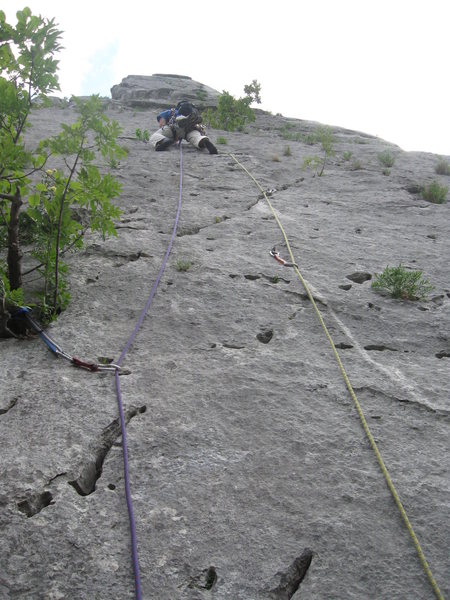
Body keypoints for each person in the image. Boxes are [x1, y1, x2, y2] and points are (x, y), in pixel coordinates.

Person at [150, 103, 218, 154]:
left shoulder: (173, 111)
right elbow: (200, 126)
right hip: (189, 130)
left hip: (173, 129)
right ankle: (203, 141)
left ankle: (163, 140)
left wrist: (162, 124)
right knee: (196, 137)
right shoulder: (194, 115)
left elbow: (161, 119)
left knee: (155, 136)